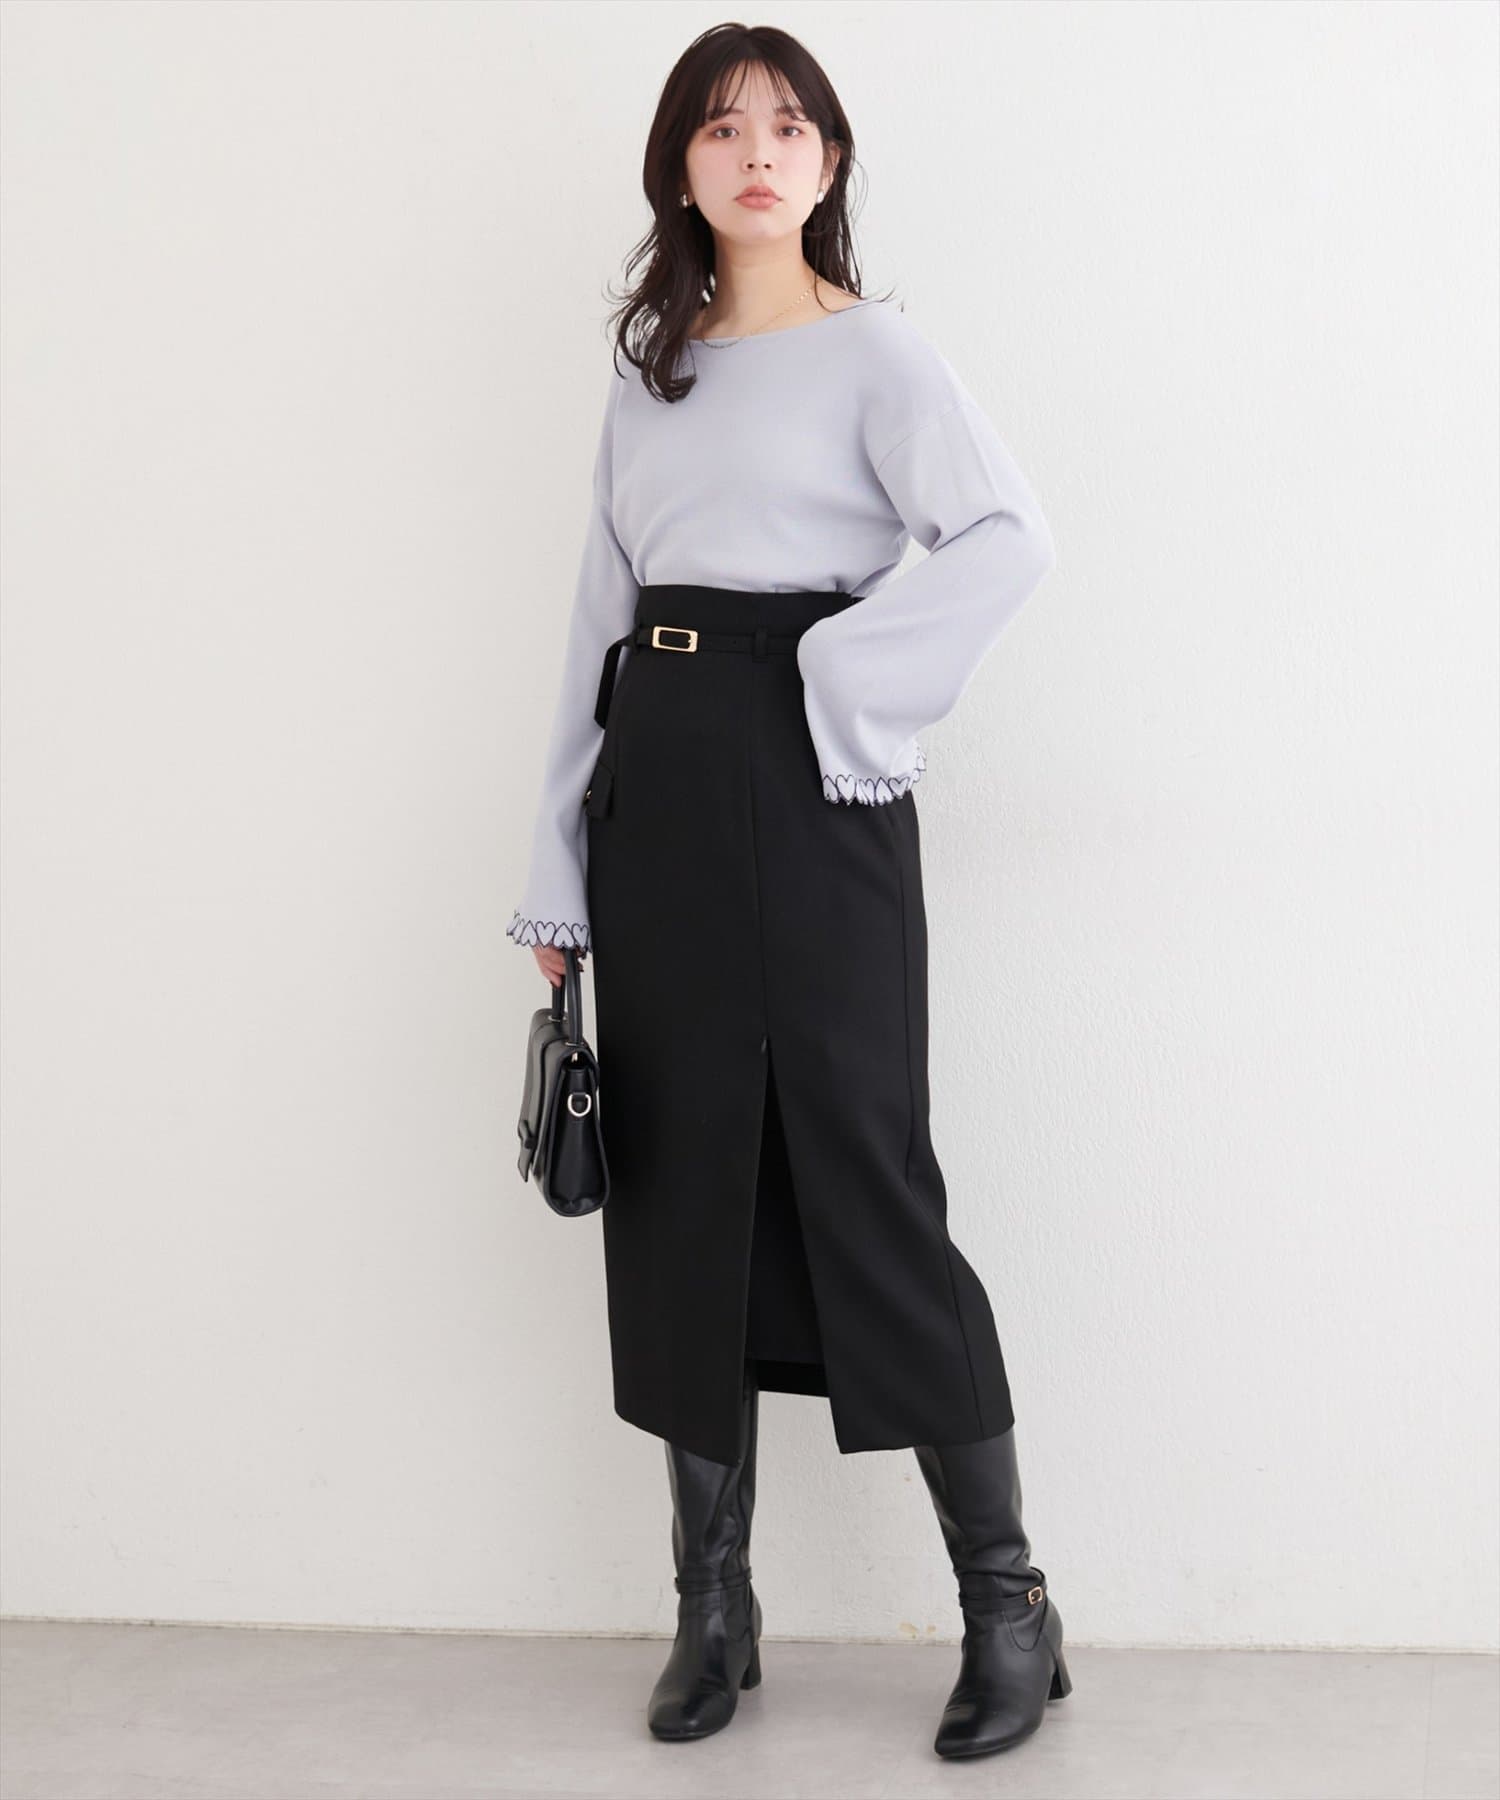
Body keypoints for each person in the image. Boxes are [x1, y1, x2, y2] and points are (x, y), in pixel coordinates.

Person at [508, 22, 1069, 1761]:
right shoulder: (652, 376)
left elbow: (1008, 539)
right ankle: (714, 1608)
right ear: (680, 167)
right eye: (721, 127)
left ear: (829, 162)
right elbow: (599, 628)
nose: (758, 151)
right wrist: (553, 870)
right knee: (683, 1185)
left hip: (818, 779)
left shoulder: (879, 354)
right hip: (660, 784)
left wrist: (840, 682)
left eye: (791, 125)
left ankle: (1009, 1606)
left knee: (864, 1172)